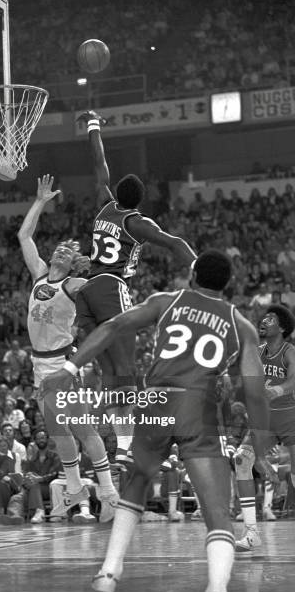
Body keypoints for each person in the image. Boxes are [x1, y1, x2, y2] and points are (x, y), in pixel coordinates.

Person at [40, 250, 275, 592]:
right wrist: (260, 445)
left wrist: (68, 370)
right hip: (198, 408)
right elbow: (256, 392)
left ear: (193, 274)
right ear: (226, 285)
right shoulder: (240, 324)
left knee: (135, 484)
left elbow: (113, 327)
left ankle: (109, 571)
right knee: (216, 511)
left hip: (157, 404)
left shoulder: (167, 300)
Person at [75, 110, 197, 466]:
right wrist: (199, 268)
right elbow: (173, 243)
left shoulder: (104, 204)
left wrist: (94, 125)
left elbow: (100, 164)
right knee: (126, 371)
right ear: (141, 200)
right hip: (112, 286)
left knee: (111, 376)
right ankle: (147, 439)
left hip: (88, 291)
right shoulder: (137, 222)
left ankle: (124, 450)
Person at [18, 174, 119, 522]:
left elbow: (98, 289)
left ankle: (107, 490)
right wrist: (40, 203)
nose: (60, 249)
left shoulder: (74, 283)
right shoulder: (40, 274)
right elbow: (24, 236)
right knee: (59, 431)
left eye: (67, 250)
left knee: (82, 428)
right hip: (38, 365)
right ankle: (76, 490)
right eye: (59, 246)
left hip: (63, 364)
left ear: (73, 262)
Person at [235, 304, 295, 551]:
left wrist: (277, 390)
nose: (263, 321)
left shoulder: (289, 351)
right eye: (264, 318)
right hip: (265, 421)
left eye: (270, 319)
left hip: (290, 416)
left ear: (281, 327)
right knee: (241, 460)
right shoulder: (256, 353)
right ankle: (251, 533)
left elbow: (294, 380)